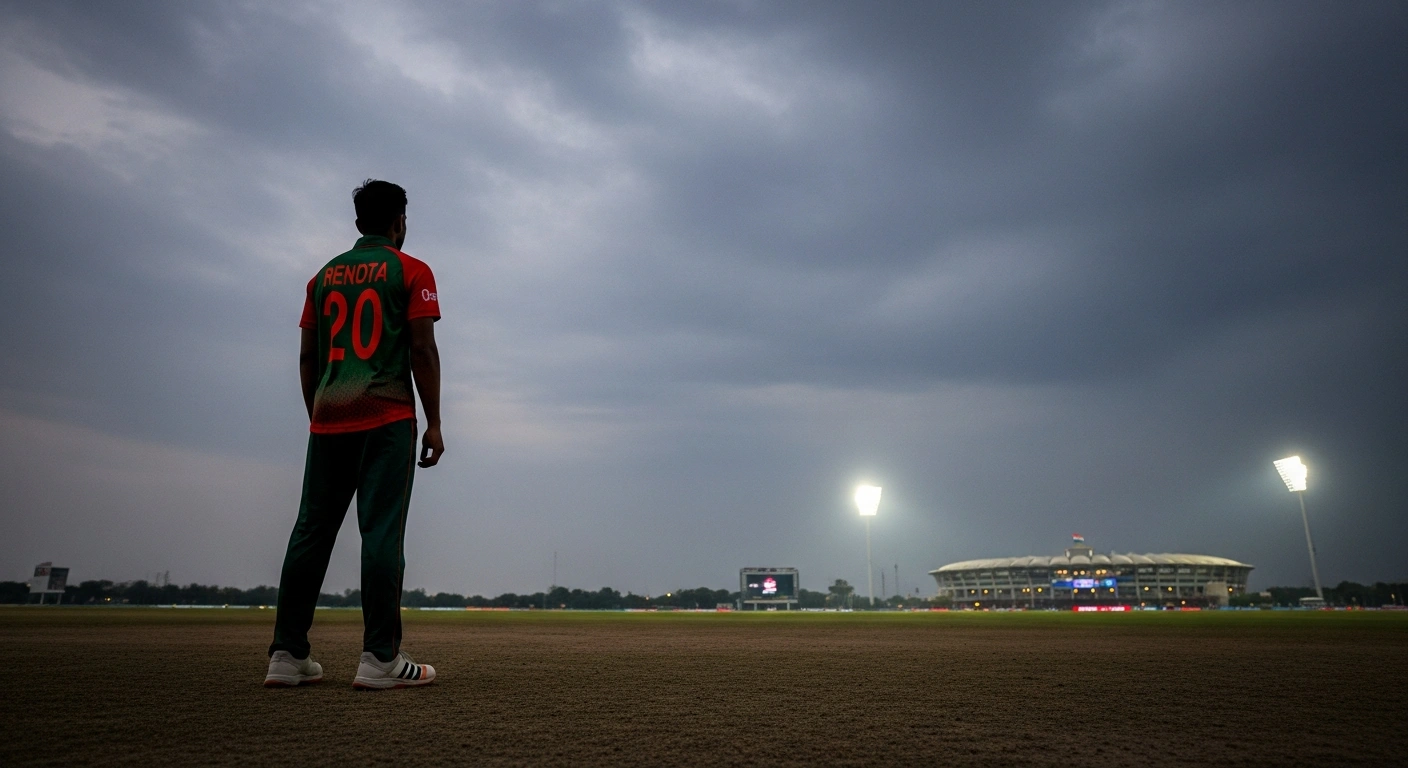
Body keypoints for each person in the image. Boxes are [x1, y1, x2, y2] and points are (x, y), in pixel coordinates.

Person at [264, 179, 444, 690]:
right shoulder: (412, 271)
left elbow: (307, 358)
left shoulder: (321, 278)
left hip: (327, 418)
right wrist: (433, 420)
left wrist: (319, 413)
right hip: (386, 419)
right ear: (398, 221)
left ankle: (286, 652)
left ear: (359, 220)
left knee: (310, 532)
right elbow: (421, 350)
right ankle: (380, 658)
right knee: (381, 533)